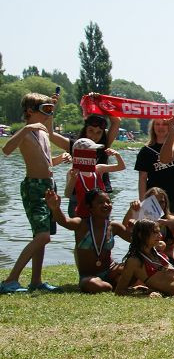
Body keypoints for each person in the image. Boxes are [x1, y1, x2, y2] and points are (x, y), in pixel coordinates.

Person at [1, 92, 71, 294]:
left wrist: (60, 159)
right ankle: (10, 280)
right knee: (43, 236)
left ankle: (36, 281)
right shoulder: (26, 132)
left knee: (42, 235)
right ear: (30, 112)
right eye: (45, 110)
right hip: (33, 187)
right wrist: (26, 128)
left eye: (51, 110)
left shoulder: (42, 134)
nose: (49, 114)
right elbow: (6, 150)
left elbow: (46, 163)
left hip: (49, 186)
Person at [45, 188, 132, 293]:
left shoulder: (114, 226)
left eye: (108, 202)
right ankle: (115, 285)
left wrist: (134, 221)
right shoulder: (81, 224)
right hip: (89, 276)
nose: (106, 205)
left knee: (136, 271)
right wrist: (55, 208)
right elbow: (65, 221)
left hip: (110, 270)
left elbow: (134, 239)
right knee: (92, 285)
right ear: (89, 206)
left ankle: (117, 283)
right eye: (100, 202)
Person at [135, 118, 174, 213]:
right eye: (157, 124)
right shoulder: (145, 151)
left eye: (164, 124)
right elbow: (142, 178)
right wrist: (142, 201)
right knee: (154, 226)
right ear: (153, 127)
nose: (160, 127)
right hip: (154, 197)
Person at [64, 138, 125, 217]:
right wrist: (73, 179)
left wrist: (117, 155)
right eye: (91, 152)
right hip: (82, 214)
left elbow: (121, 167)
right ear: (81, 154)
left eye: (95, 152)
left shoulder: (99, 169)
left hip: (101, 213)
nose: (95, 154)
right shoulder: (72, 172)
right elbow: (67, 194)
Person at [69, 109, 121, 192]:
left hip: (101, 193)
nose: (94, 136)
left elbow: (116, 121)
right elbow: (51, 134)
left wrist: (101, 104)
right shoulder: (74, 145)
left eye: (98, 132)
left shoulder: (104, 145)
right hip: (78, 191)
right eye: (91, 130)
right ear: (85, 130)